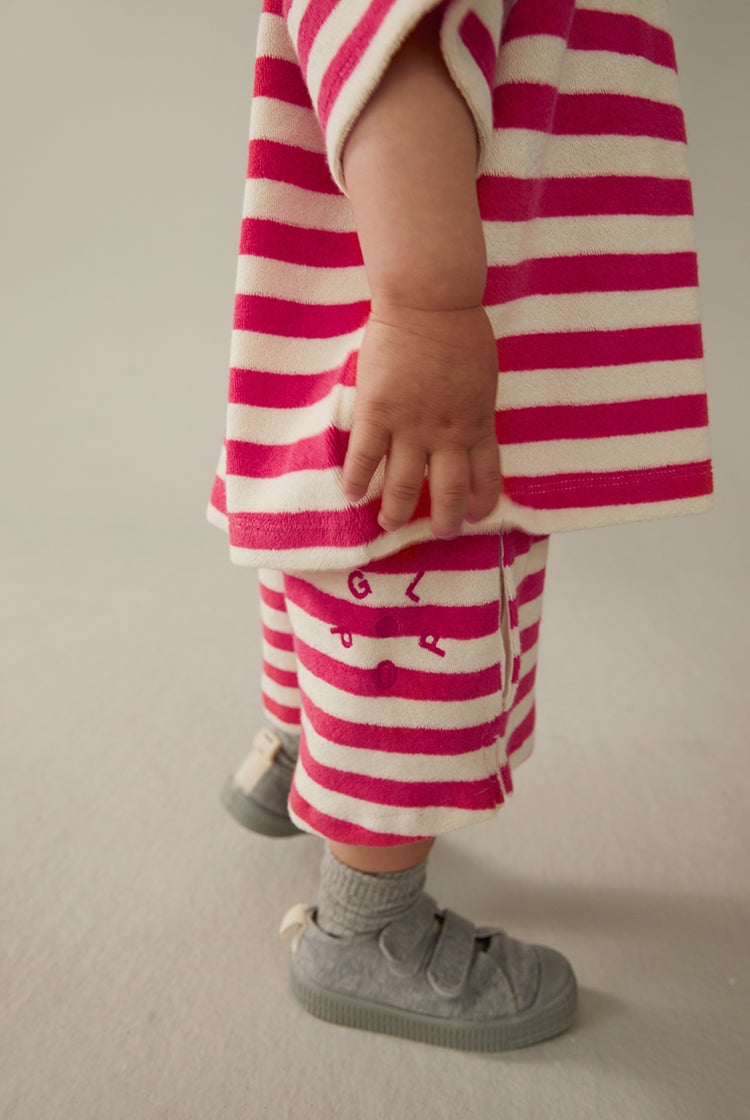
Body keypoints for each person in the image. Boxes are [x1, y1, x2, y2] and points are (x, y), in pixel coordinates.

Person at [209, 0, 712, 1051]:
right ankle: (366, 924)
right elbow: (402, 48)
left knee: (338, 545)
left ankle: (297, 750)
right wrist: (428, 309)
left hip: (383, 330)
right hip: (437, 345)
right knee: (419, 578)